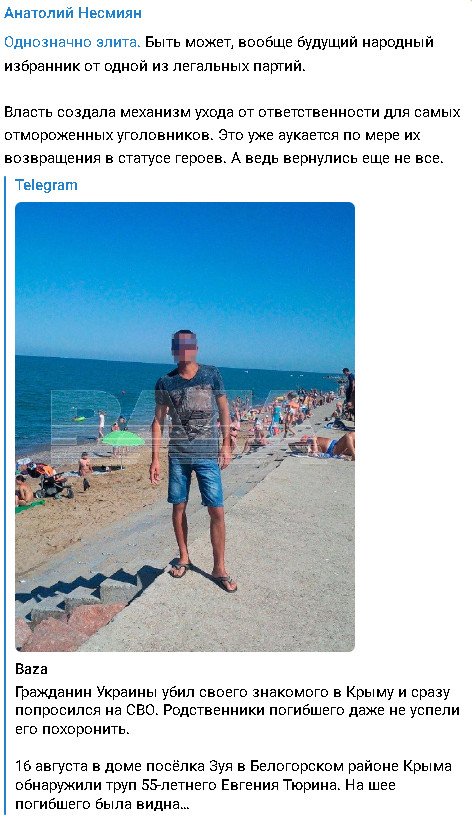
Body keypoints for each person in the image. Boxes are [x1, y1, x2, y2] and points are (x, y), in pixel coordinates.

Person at [150, 330, 237, 593]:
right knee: (179, 507)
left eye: (188, 345)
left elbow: (224, 409)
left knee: (217, 510)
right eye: (179, 346)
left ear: (196, 348)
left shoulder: (211, 374)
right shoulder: (165, 382)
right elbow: (158, 421)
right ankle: (184, 556)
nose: (184, 350)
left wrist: (226, 443)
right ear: (173, 350)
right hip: (178, 455)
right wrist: (154, 459)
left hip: (207, 454)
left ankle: (219, 567)